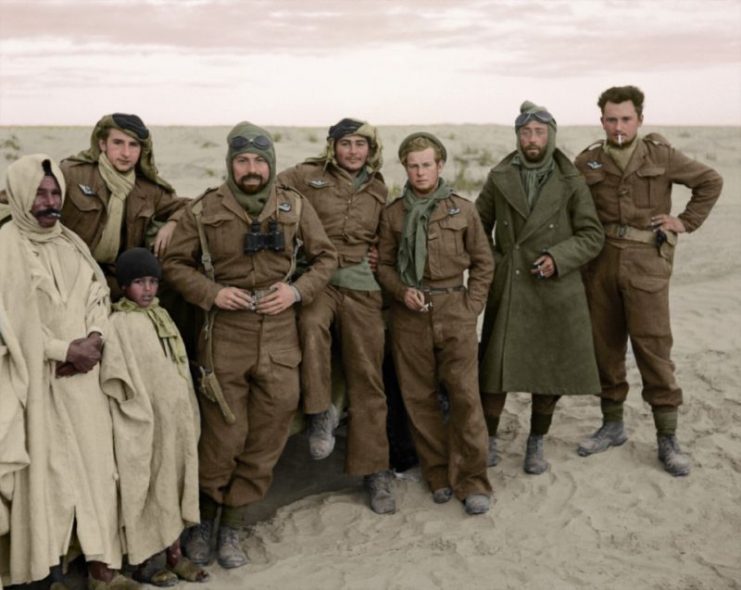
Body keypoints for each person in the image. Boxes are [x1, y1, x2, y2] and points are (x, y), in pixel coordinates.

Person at [162, 122, 337, 568]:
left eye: (260, 160)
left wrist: (296, 292)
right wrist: (212, 293)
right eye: (243, 160)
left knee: (268, 434)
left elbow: (326, 258)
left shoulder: (293, 205)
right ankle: (203, 520)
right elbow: (176, 264)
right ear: (230, 163)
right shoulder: (204, 209)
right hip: (226, 334)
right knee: (222, 436)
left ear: (271, 163)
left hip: (280, 335)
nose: (252, 169)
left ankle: (234, 525)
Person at [0, 155, 135, 588]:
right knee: (46, 477)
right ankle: (46, 570)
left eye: (55, 192)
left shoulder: (70, 243)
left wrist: (94, 340)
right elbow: (9, 324)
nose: (49, 202)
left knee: (95, 470)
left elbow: (98, 294)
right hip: (36, 385)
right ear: (20, 194)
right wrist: (62, 350)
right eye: (40, 193)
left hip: (83, 381)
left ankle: (100, 564)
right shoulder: (6, 248)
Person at [574, 85, 723, 476]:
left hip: (646, 263)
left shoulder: (660, 155)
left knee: (654, 348)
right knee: (604, 347)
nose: (618, 126)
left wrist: (684, 222)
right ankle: (612, 425)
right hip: (601, 263)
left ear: (640, 119)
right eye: (611, 119)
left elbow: (710, 182)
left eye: (625, 118)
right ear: (602, 120)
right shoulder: (587, 161)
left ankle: (667, 438)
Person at [476, 101, 605, 474]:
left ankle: (536, 442)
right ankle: (488, 437)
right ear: (517, 135)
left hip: (555, 288)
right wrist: (499, 262)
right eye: (525, 132)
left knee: (548, 369)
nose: (532, 139)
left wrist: (559, 258)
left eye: (539, 132)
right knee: (495, 369)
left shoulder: (571, 181)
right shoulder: (500, 176)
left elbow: (592, 234)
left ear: (550, 135)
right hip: (513, 286)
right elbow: (477, 225)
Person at [277, 118, 394, 514]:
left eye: (360, 144)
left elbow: (389, 233)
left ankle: (376, 471)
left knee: (368, 371)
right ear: (333, 146)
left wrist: (381, 253)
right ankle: (319, 415)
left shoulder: (379, 187)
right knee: (310, 326)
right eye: (345, 144)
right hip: (319, 275)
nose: (353, 152)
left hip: (362, 281)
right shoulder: (307, 175)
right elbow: (260, 186)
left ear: (370, 149)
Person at [376, 133, 494, 515]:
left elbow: (483, 262)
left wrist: (471, 306)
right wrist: (400, 291)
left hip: (453, 309)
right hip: (409, 315)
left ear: (440, 166)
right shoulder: (394, 214)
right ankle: (438, 472)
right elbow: (385, 266)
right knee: (419, 398)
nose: (420, 172)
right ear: (405, 168)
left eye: (427, 164)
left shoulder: (462, 209)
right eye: (413, 165)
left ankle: (473, 479)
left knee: (465, 397)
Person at [100, 248, 207, 585]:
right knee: (147, 490)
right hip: (145, 424)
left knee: (174, 485)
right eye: (138, 282)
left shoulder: (161, 316)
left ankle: (175, 555)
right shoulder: (119, 323)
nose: (147, 289)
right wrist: (139, 417)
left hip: (176, 421)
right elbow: (117, 379)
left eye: (152, 281)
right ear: (124, 286)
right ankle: (145, 563)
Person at [59, 113, 189, 297]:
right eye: (118, 143)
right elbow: (17, 198)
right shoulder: (71, 174)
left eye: (133, 145)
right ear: (103, 144)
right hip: (69, 274)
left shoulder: (148, 189)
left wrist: (172, 223)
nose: (126, 153)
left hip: (117, 281)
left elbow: (190, 207)